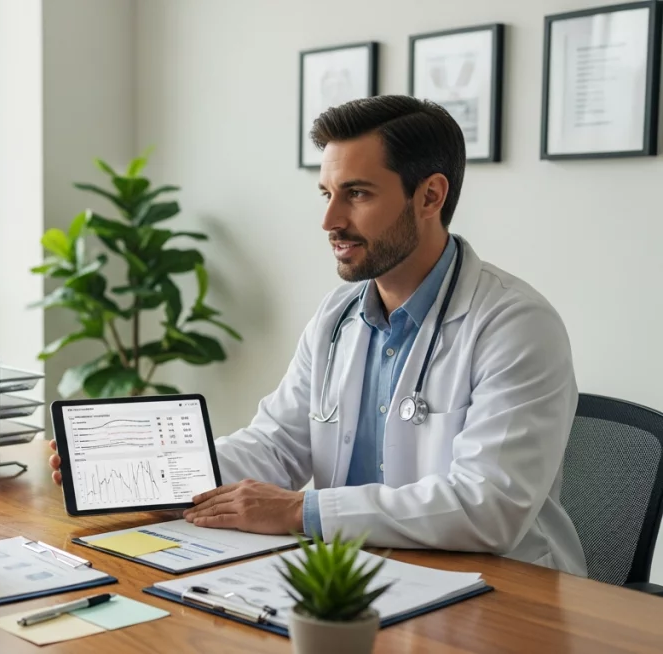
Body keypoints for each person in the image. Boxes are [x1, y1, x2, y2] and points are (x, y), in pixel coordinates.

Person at [49, 96, 587, 576]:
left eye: (356, 193)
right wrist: (142, 473)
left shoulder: (515, 324)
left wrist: (298, 511)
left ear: (429, 197)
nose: (330, 219)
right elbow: (277, 444)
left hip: (498, 589)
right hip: (354, 575)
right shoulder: (338, 316)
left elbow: (488, 506)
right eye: (327, 193)